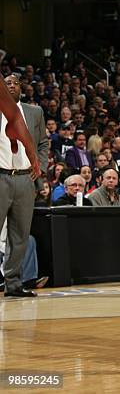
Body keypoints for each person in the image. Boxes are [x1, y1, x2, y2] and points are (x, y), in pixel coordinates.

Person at [0, 75, 46, 297]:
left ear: (21, 88)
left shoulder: (35, 112)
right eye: (6, 83)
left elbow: (44, 143)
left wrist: (41, 170)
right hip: (1, 176)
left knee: (20, 235)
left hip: (25, 179)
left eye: (15, 83)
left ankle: (13, 283)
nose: (11, 86)